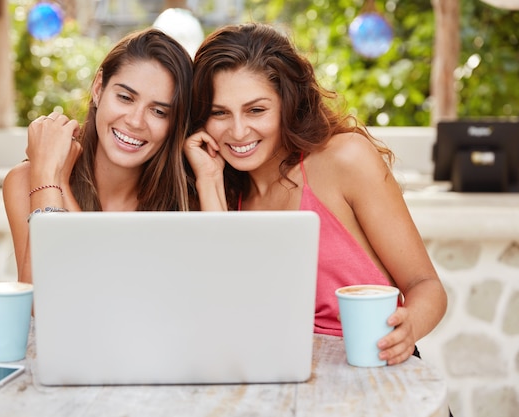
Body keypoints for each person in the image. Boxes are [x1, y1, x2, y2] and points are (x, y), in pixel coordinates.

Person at [184, 23, 448, 366]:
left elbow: (425, 284)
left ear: (287, 104)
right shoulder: (223, 190)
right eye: (219, 113)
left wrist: (409, 325)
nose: (237, 131)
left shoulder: (344, 159)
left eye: (256, 110)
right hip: (283, 382)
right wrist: (207, 181)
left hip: (373, 371)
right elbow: (226, 312)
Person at [3, 28, 193, 285]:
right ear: (98, 88)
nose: (136, 121)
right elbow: (40, 301)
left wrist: (57, 183)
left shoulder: (183, 201)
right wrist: (46, 176)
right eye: (125, 97)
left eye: (159, 111)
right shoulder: (25, 180)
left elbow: (112, 293)